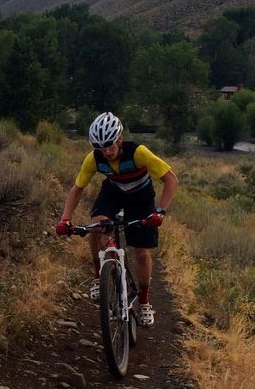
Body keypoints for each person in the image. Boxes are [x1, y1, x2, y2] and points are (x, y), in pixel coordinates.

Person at [55, 111, 178, 327]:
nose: (107, 152)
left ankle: (144, 300)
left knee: (141, 253)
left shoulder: (139, 153)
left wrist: (159, 212)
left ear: (119, 139)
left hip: (141, 197)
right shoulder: (94, 158)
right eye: (100, 147)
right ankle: (98, 276)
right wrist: (65, 219)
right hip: (113, 192)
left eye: (110, 145)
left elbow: (171, 180)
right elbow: (77, 190)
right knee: (95, 228)